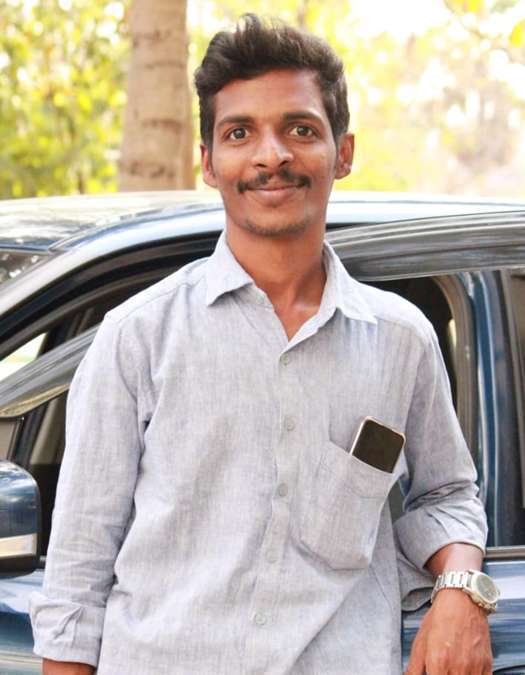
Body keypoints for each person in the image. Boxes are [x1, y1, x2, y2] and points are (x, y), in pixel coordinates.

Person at [31, 14, 495, 675]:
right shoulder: (138, 337)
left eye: (299, 129)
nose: (270, 154)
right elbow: (77, 574)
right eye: (239, 132)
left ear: (343, 152)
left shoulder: (400, 341)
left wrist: (460, 588)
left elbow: (447, 492)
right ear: (208, 162)